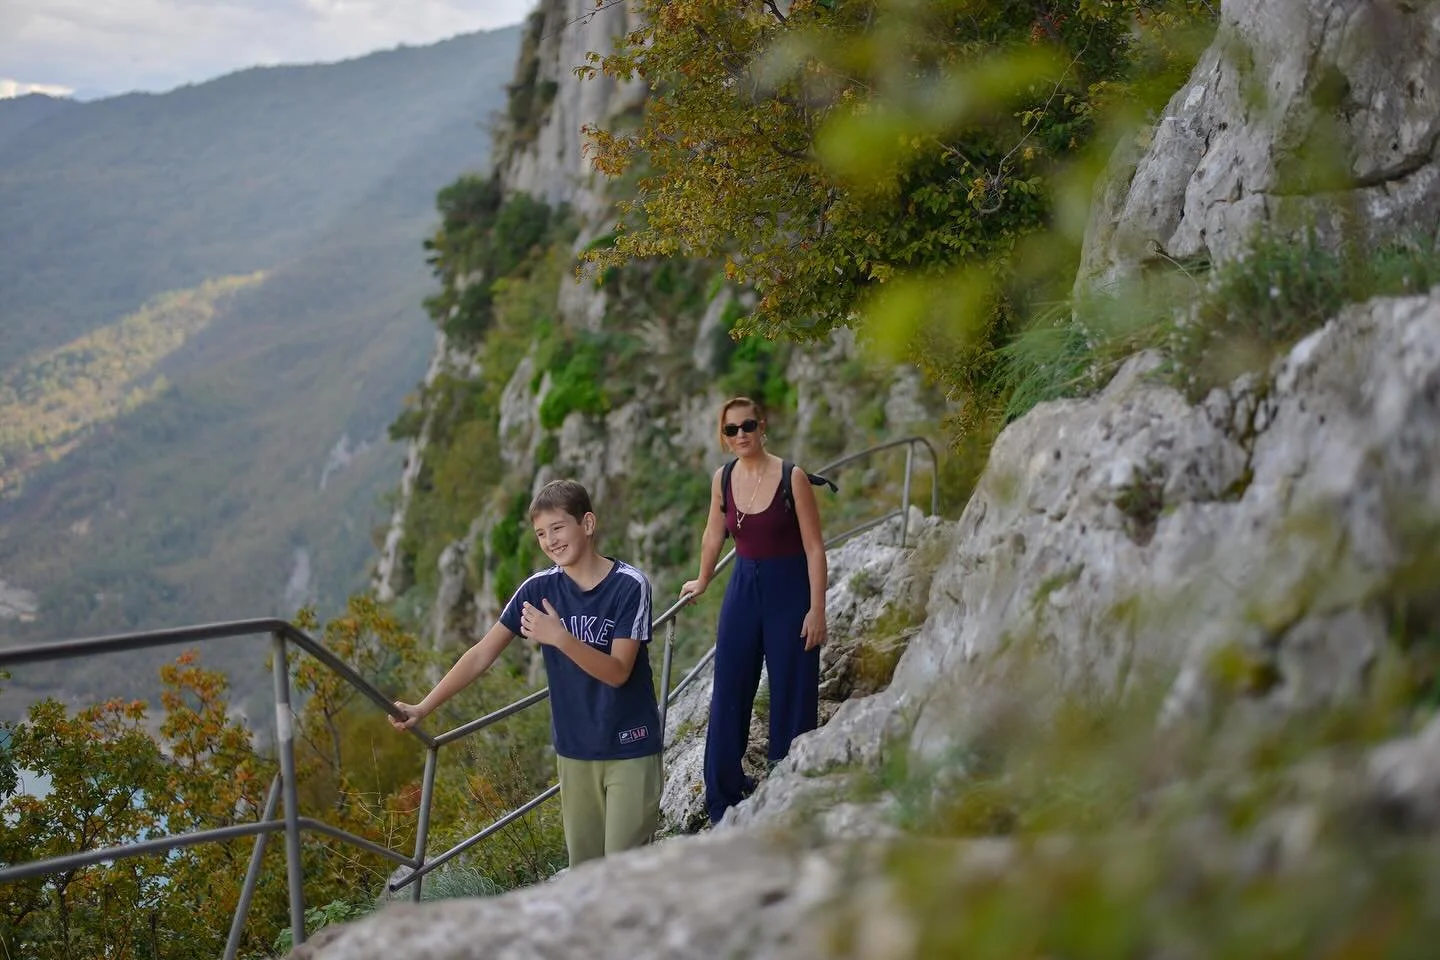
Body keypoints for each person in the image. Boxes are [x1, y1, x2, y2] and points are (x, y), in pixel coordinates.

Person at [391, 479, 662, 867]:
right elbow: (482, 654)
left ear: (587, 524)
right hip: (574, 752)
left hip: (630, 747)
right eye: (540, 533)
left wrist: (560, 638)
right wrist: (423, 707)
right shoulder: (538, 589)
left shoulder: (629, 586)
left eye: (557, 527)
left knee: (626, 872)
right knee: (585, 876)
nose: (550, 540)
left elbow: (618, 672)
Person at [681, 397, 828, 825]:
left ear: (762, 427)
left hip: (790, 588)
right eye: (732, 430)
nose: (741, 434)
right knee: (730, 685)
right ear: (724, 437)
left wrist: (816, 609)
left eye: (748, 426)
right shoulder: (722, 478)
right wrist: (703, 578)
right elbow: (713, 534)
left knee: (793, 688)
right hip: (743, 588)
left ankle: (789, 782)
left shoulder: (791, 476)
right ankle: (723, 795)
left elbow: (815, 547)